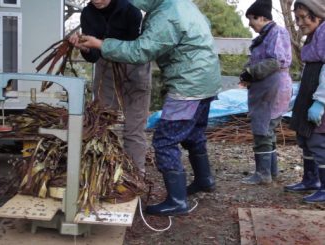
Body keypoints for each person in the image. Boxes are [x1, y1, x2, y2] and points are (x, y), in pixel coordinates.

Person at [78, 0, 221, 216]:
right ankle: (204, 180)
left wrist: (101, 44)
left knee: (165, 141)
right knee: (194, 134)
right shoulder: (179, 4)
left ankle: (177, 201)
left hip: (189, 83)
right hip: (206, 77)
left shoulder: (166, 14)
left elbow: (140, 51)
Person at [69, 0, 151, 174]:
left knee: (134, 127)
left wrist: (100, 43)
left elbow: (134, 49)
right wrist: (84, 48)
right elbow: (92, 57)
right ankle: (102, 173)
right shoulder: (88, 14)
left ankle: (135, 175)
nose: (96, 0)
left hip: (134, 67)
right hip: (105, 67)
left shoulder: (131, 10)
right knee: (101, 122)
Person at [239, 0, 292, 185]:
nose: (249, 23)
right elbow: (257, 59)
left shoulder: (277, 33)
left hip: (273, 87)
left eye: (251, 19)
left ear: (262, 17)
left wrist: (251, 72)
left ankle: (263, 174)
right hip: (266, 88)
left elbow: (275, 61)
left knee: (263, 129)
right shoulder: (264, 35)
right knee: (267, 129)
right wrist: (246, 72)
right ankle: (271, 171)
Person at [284, 0, 325, 203]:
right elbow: (308, 70)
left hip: (320, 97)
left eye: (303, 17)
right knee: (305, 139)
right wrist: (297, 97)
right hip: (309, 94)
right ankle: (311, 179)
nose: (299, 22)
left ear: (317, 14)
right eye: (297, 18)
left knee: (318, 141)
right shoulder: (312, 37)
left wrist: (321, 102)